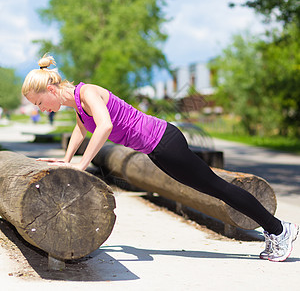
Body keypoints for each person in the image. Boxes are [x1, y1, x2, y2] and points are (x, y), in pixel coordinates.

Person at [22, 54, 299, 262]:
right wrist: (67, 159)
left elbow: (104, 125)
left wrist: (82, 164)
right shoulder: (78, 106)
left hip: (166, 142)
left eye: (38, 103)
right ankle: (277, 230)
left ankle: (279, 229)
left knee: (217, 188)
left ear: (51, 90)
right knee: (213, 187)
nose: (41, 109)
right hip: (157, 149)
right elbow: (81, 129)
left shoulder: (88, 92)